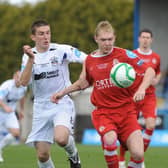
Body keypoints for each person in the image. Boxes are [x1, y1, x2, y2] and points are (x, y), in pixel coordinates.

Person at [51, 21, 156, 168]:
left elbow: (150, 71)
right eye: (103, 40)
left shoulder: (124, 54)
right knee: (110, 140)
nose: (107, 43)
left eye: (110, 39)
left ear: (114, 38)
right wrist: (62, 92)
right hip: (104, 113)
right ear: (96, 39)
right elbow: (82, 82)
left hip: (127, 112)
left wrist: (142, 89)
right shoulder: (89, 60)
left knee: (138, 154)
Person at [20, 20, 87, 168]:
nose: (46, 37)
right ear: (33, 37)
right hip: (41, 106)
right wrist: (31, 59)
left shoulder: (61, 50)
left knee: (61, 139)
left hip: (61, 102)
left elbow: (87, 59)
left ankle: (73, 156)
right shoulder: (28, 56)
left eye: (48, 33)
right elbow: (24, 82)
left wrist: (83, 76)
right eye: (41, 34)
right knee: (42, 155)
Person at [119, 29, 161, 168]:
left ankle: (137, 158)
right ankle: (121, 158)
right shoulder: (132, 55)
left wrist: (156, 79)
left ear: (151, 40)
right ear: (139, 39)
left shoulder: (156, 57)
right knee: (129, 131)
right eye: (143, 37)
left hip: (149, 96)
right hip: (134, 95)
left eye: (148, 37)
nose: (145, 40)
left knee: (150, 125)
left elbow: (158, 72)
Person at [0, 70, 27, 162]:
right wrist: (5, 107)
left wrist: (21, 110)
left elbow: (23, 97)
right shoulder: (7, 86)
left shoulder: (24, 87)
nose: (19, 79)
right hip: (1, 111)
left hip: (10, 113)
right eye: (17, 77)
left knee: (16, 133)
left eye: (21, 77)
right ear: (14, 77)